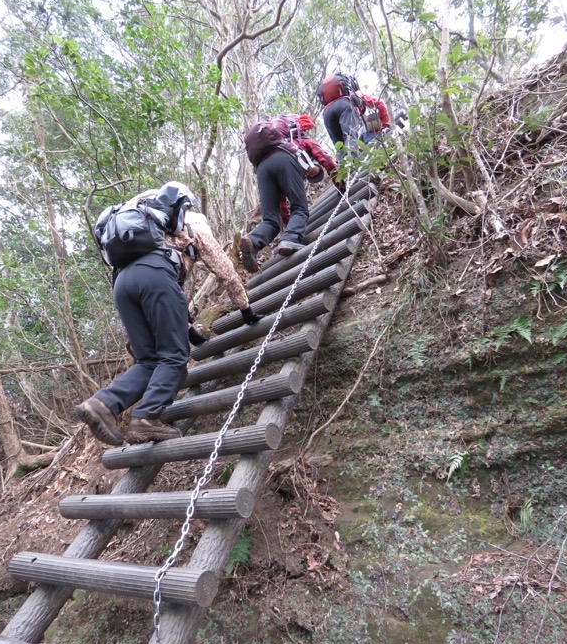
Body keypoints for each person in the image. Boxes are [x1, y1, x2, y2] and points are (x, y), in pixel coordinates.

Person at [77, 181, 262, 446]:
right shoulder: (195, 228)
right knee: (174, 356)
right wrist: (246, 310)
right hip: (154, 277)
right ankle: (146, 418)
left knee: (148, 360)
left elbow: (169, 298)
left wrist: (188, 329)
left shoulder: (150, 232)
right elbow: (227, 273)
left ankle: (104, 404)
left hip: (122, 283)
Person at [239, 114, 341, 274]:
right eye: (311, 175)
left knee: (271, 220)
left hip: (262, 169)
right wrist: (340, 183)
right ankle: (290, 239)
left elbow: (281, 205)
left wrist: (288, 226)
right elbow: (326, 158)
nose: (308, 175)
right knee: (300, 208)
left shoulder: (278, 135)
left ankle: (252, 241)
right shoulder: (299, 137)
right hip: (283, 158)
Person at [316, 73, 390, 160]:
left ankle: (342, 168)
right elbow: (380, 103)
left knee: (340, 146)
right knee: (350, 135)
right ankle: (352, 166)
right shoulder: (356, 94)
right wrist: (384, 125)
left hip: (327, 114)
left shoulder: (329, 104)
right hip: (344, 106)